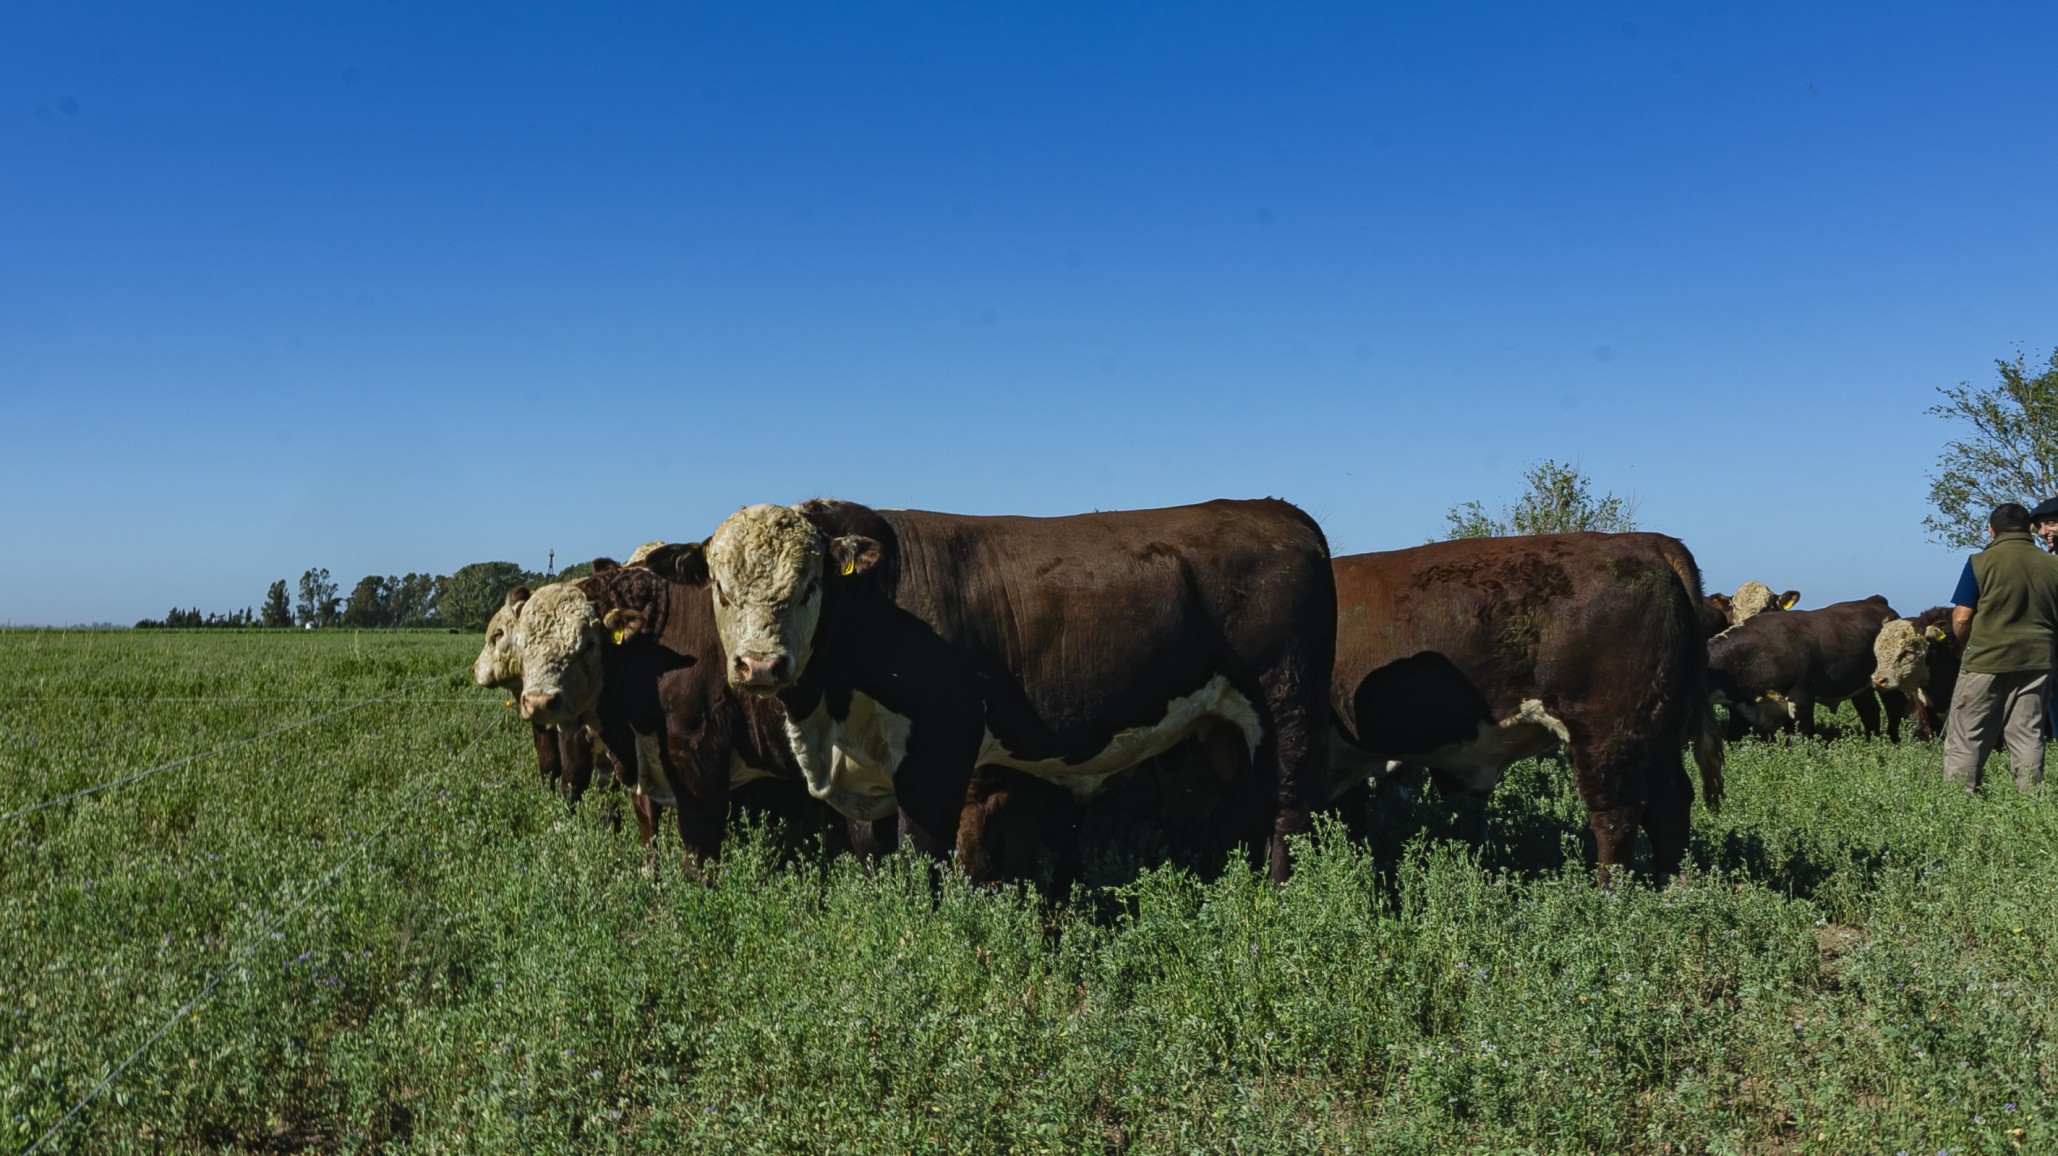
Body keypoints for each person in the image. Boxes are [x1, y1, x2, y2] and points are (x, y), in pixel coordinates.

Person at [1943, 502, 2058, 793]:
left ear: (1991, 530)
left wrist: (1969, 645)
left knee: (1968, 732)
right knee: (2028, 732)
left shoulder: (1980, 561)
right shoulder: (2052, 564)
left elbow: (1961, 617)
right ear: (2030, 528)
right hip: (2038, 660)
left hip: (1986, 659)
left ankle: (1959, 799)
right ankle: (2031, 796)